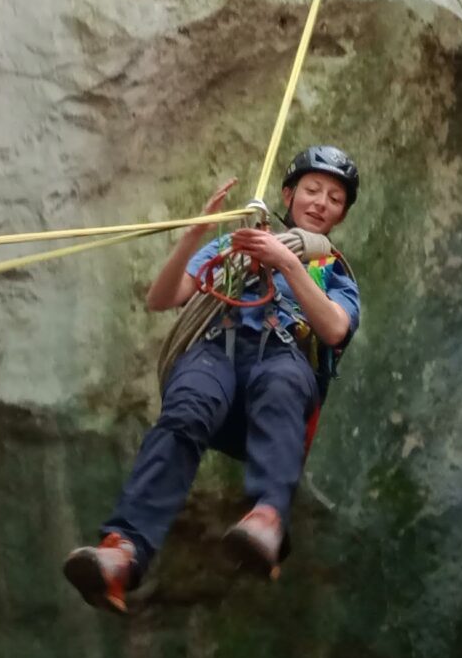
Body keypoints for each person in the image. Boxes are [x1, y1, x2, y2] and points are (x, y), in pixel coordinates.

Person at [63, 145, 365, 613]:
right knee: (186, 409)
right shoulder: (231, 247)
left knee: (282, 384)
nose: (321, 201)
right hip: (215, 352)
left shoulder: (334, 271)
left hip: (282, 361)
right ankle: (121, 553)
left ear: (341, 215)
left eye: (334, 198)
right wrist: (196, 235)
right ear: (288, 193)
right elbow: (164, 298)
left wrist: (286, 262)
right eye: (311, 189)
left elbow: (334, 328)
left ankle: (267, 517)